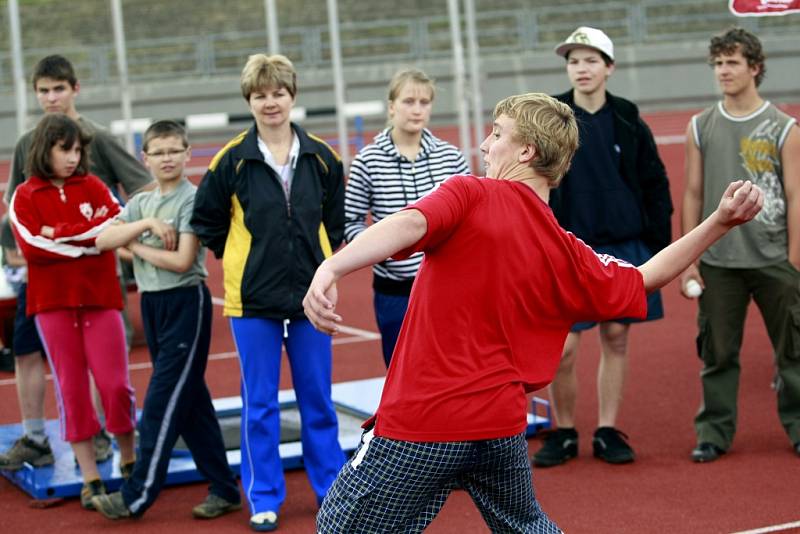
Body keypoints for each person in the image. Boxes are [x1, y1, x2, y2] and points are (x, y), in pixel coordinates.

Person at [302, 92, 763, 533]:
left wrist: (332, 265)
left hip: (425, 423)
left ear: (526, 150)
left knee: (340, 525)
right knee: (525, 526)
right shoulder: (566, 248)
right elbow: (645, 276)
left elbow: (410, 223)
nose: (484, 144)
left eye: (496, 133)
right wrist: (719, 221)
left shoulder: (470, 194)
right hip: (501, 428)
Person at [190, 54, 346, 532]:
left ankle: (332, 491)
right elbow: (207, 221)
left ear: (292, 96)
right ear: (249, 101)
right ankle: (263, 497)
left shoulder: (322, 156)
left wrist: (318, 269)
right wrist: (242, 261)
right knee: (259, 402)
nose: (270, 102)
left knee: (317, 398)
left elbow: (334, 225)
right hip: (251, 300)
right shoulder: (231, 159)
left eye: (278, 92)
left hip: (309, 299)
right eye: (260, 95)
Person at [0, 54, 152, 471]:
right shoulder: (26, 143)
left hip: (97, 279)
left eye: (58, 89)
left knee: (102, 364)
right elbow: (15, 205)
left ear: (75, 89)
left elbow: (139, 188)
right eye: (43, 90)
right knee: (30, 353)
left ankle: (108, 436)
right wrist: (19, 242)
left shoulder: (97, 137)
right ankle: (34, 437)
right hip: (44, 278)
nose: (51, 97)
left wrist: (124, 237)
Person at [532, 26, 674, 467]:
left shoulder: (628, 117)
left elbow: (654, 182)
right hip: (570, 248)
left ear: (608, 67)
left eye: (591, 59)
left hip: (623, 246)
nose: (582, 68)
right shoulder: (553, 118)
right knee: (565, 348)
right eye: (574, 60)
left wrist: (655, 244)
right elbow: (536, 183)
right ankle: (566, 431)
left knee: (616, 337)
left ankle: (608, 430)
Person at [90, 120, 241, 519]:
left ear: (188, 154)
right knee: (190, 401)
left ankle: (135, 495)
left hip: (184, 304)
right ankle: (225, 488)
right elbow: (103, 241)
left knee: (160, 402)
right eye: (158, 152)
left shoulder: (193, 200)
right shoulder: (140, 204)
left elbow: (180, 261)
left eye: (175, 150)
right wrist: (145, 228)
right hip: (153, 307)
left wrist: (134, 244)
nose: (167, 158)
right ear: (146, 158)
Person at [680, 27, 800, 462]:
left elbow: (796, 194)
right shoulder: (701, 125)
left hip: (774, 259)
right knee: (718, 352)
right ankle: (713, 432)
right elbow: (692, 192)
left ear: (755, 67)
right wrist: (690, 258)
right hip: (718, 261)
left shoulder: (784, 127)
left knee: (793, 353)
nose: (723, 71)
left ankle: (799, 425)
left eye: (732, 62)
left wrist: (794, 260)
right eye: (718, 63)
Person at [7, 113, 137, 508]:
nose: (72, 157)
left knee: (115, 385)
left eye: (77, 149)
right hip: (52, 306)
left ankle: (129, 461)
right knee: (72, 389)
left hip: (101, 298)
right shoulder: (25, 195)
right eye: (64, 149)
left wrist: (59, 233)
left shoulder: (95, 185)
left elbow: (115, 225)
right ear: (44, 149)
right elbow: (32, 248)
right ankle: (91, 478)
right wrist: (88, 239)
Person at [345, 68, 469, 366]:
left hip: (447, 289)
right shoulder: (367, 161)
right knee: (403, 374)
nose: (417, 109)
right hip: (394, 294)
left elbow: (470, 219)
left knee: (453, 371)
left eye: (424, 102)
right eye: (408, 101)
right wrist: (384, 250)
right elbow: (350, 222)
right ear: (392, 106)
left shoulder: (451, 157)